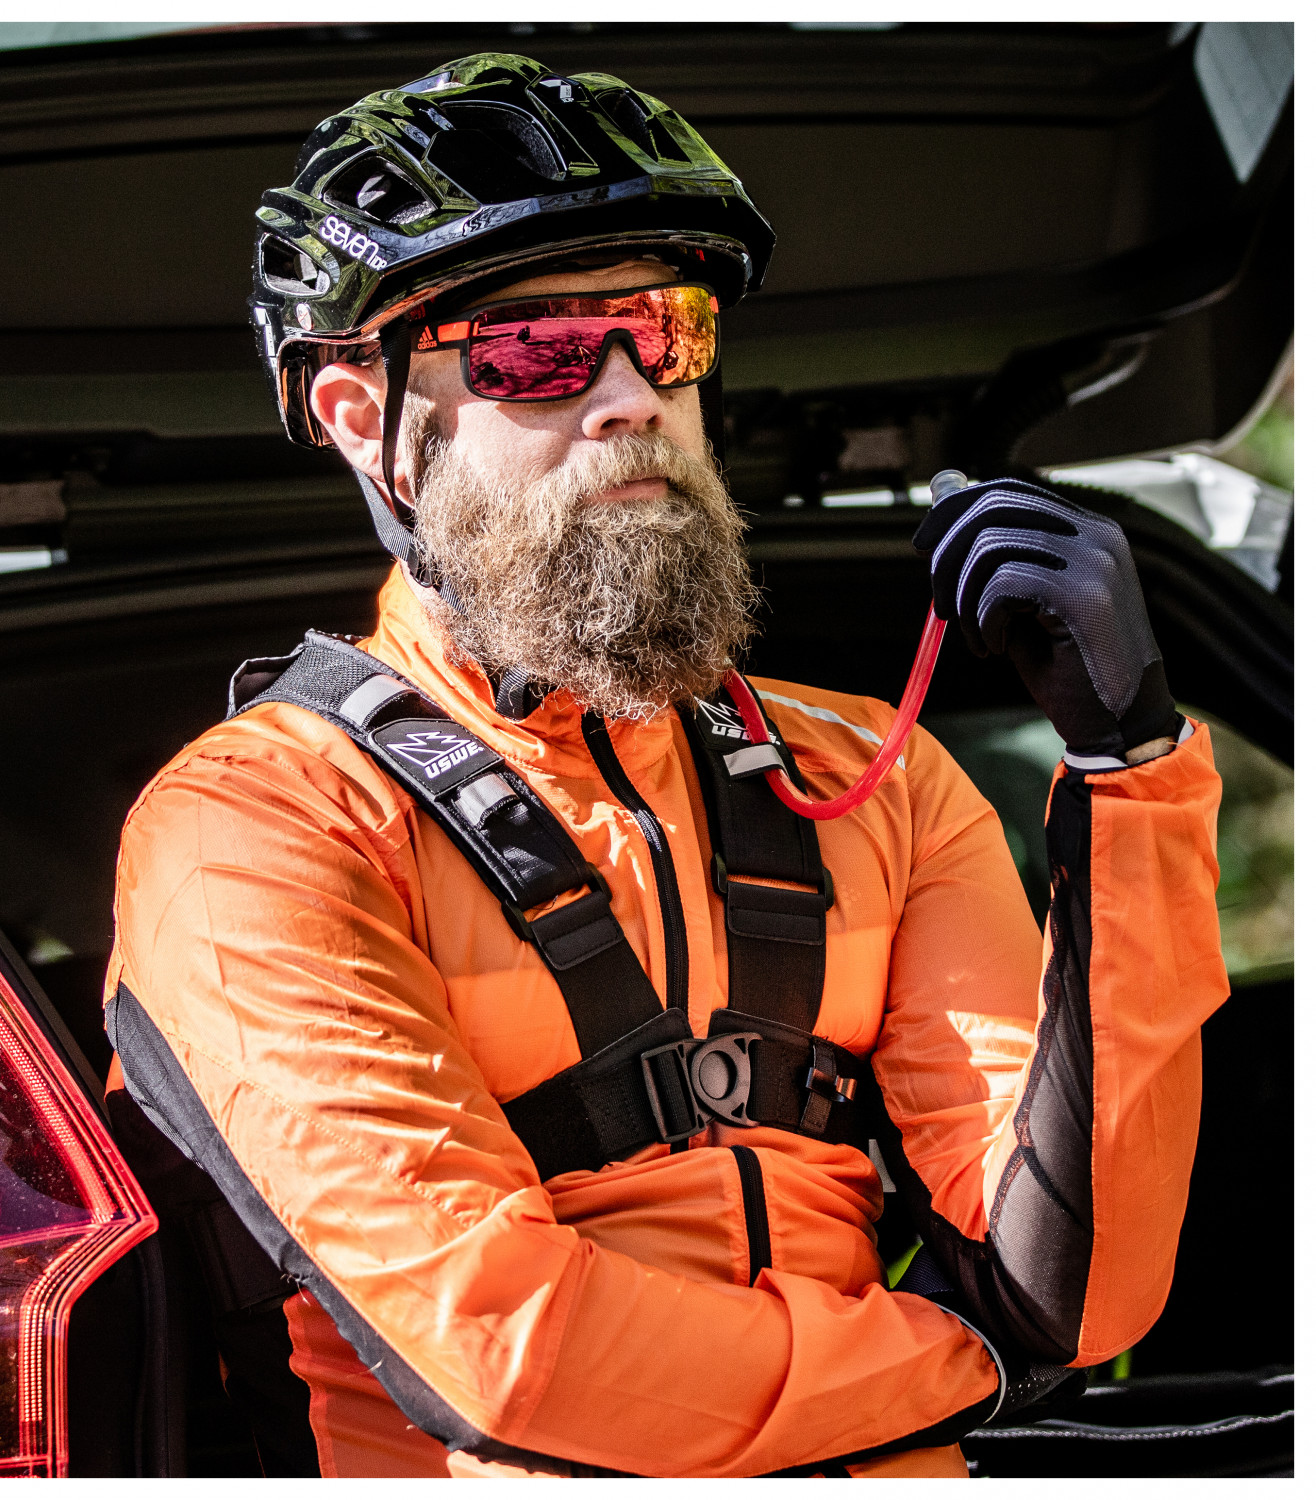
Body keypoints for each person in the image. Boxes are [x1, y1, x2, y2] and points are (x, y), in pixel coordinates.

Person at [103, 53, 1227, 1478]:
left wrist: (1132, 770)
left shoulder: (878, 777)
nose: (630, 394)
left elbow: (1083, 1279)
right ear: (360, 417)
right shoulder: (253, 825)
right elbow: (512, 1351)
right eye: (535, 351)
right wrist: (967, 1366)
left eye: (666, 330)